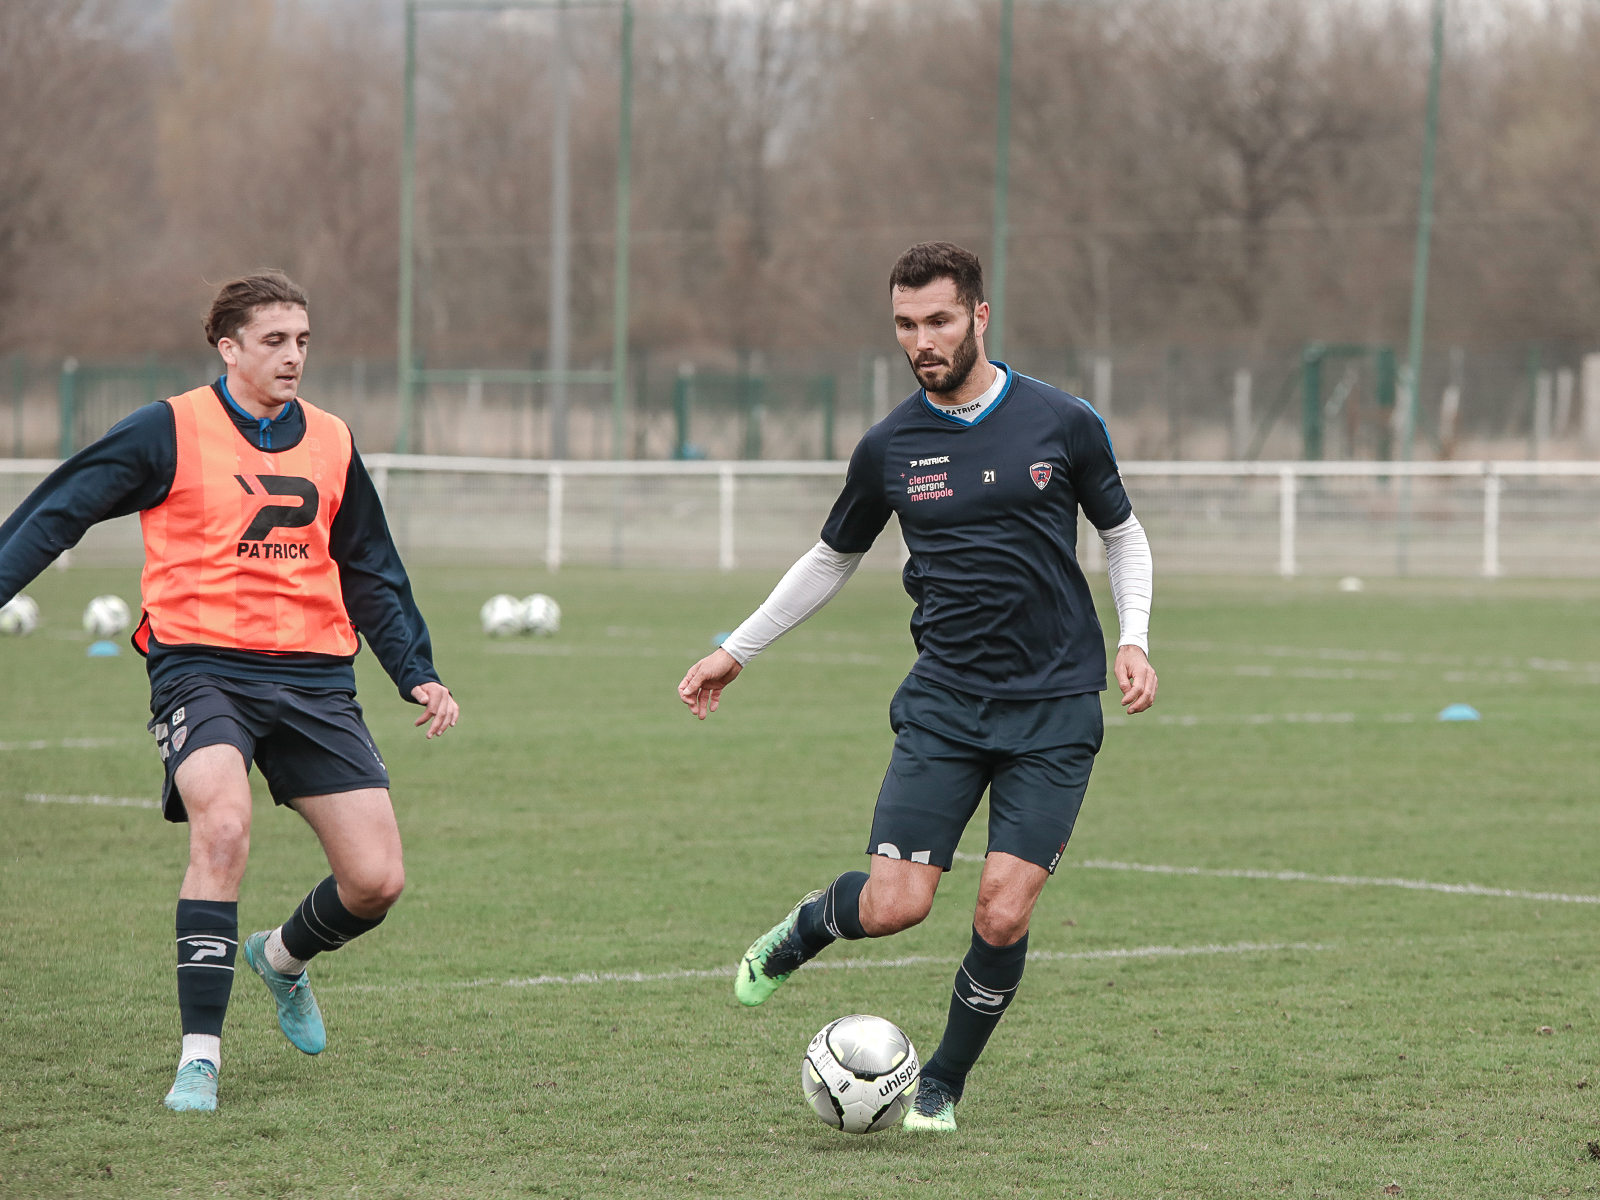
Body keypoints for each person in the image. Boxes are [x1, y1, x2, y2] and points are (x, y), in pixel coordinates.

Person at [676, 242, 1156, 1131]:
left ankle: (941, 1081)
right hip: (944, 705)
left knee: (1003, 912)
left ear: (979, 315)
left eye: (938, 320)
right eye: (905, 324)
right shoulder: (890, 445)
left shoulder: (1063, 420)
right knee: (897, 906)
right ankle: (809, 926)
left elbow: (1122, 535)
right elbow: (832, 559)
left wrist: (1133, 640)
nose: (921, 340)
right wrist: (736, 650)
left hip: (1054, 708)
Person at [0, 271, 459, 1113]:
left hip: (316, 677)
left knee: (376, 881)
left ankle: (281, 958)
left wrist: (415, 668)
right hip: (201, 667)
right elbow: (60, 510)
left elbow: (370, 567)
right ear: (229, 347)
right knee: (222, 823)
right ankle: (199, 1060)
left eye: (304, 341)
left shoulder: (331, 440)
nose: (294, 356)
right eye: (276, 341)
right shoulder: (167, 430)